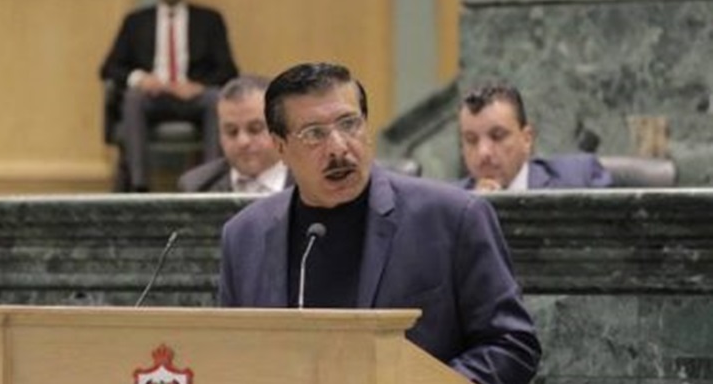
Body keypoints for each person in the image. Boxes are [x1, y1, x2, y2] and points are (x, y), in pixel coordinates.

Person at [219, 63, 540, 384]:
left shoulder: (452, 217)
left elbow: (511, 344)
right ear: (280, 147)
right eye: (314, 134)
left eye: (349, 124)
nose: (339, 147)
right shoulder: (244, 237)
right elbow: (229, 358)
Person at [99, 0, 238, 192]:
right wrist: (140, 79)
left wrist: (199, 86)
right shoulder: (135, 21)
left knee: (214, 99)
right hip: (153, 97)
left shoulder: (209, 20)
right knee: (133, 98)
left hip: (193, 98)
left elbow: (228, 69)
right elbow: (108, 68)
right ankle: (139, 185)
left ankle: (210, 184)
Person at [458, 83, 612, 191]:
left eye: (497, 136)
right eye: (471, 140)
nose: (483, 152)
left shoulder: (581, 179)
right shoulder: (449, 205)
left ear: (527, 139)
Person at [178, 75, 291, 193]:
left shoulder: (304, 181)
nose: (243, 142)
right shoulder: (197, 187)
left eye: (255, 129)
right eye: (231, 132)